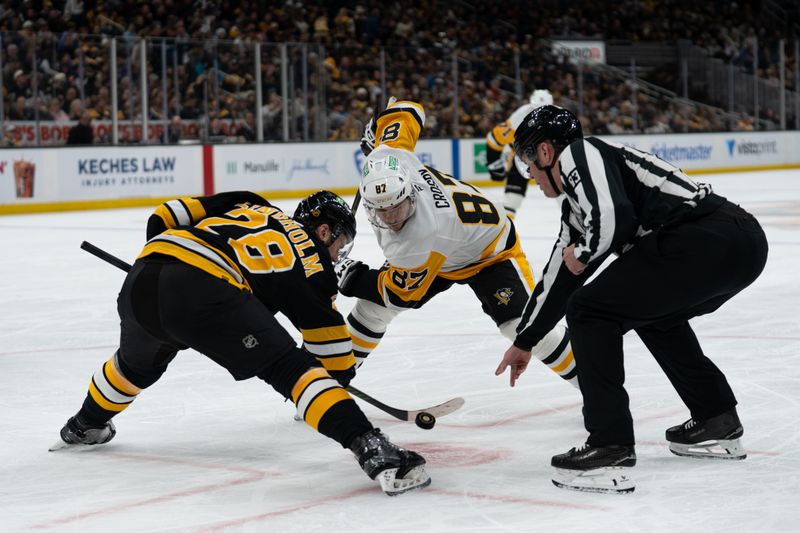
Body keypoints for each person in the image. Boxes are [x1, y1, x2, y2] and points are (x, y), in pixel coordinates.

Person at [50, 190, 431, 496]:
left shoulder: (251, 202)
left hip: (144, 275)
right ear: (325, 231)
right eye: (340, 243)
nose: (338, 255)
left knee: (132, 367)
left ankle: (83, 425)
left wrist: (170, 270)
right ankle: (374, 451)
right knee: (291, 370)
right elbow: (336, 365)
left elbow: (165, 215)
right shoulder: (315, 268)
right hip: (205, 286)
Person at [496, 105, 768, 493]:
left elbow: (614, 218)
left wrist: (585, 253)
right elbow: (557, 279)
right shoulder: (578, 203)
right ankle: (715, 418)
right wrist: (525, 341)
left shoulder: (580, 152)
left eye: (528, 161)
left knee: (589, 311)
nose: (531, 177)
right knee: (656, 316)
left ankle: (610, 444)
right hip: (740, 245)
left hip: (704, 238)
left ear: (544, 152)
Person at [335, 99, 578, 387]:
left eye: (396, 208)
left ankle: (591, 381)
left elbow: (402, 294)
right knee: (371, 310)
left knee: (521, 326)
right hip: (448, 244)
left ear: (410, 194)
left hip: (488, 252)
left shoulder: (420, 236)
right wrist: (381, 134)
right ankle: (332, 378)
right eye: (381, 210)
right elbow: (410, 108)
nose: (390, 219)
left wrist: (350, 276)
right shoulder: (388, 157)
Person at [485, 89, 553, 217]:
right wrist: (493, 163)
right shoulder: (519, 118)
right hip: (521, 158)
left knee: (567, 196)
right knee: (512, 200)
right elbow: (494, 138)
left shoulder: (560, 118)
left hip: (548, 158)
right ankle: (505, 230)